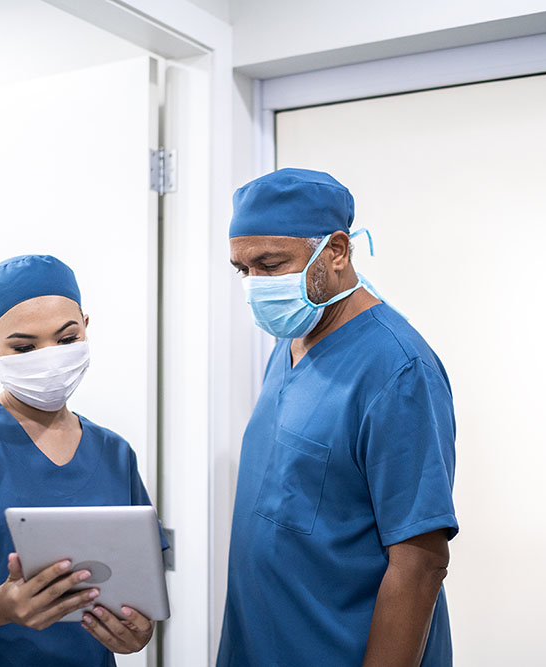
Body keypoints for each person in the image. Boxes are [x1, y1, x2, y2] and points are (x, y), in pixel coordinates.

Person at [218, 169, 458, 666]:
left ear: (337, 251)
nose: (257, 286)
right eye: (244, 270)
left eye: (271, 264)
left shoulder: (397, 370)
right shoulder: (292, 341)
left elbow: (420, 563)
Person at [0, 254, 163, 666]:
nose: (50, 357)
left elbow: (139, 602)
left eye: (67, 340)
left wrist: (135, 633)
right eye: (25, 346)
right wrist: (2, 606)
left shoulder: (115, 453)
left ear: (86, 328)